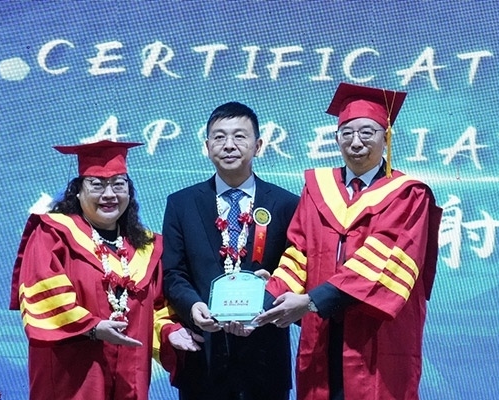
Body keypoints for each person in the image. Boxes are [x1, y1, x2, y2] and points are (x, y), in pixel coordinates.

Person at [254, 82, 443, 400]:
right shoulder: (317, 189)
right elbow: (299, 253)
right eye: (347, 133)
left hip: (376, 334)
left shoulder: (408, 194)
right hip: (322, 331)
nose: (356, 142)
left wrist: (312, 301)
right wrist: (265, 299)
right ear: (336, 138)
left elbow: (384, 263)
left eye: (367, 133)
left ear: (386, 138)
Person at [9, 140, 188, 400]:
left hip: (129, 378)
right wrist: (92, 327)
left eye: (118, 184)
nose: (109, 194)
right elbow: (44, 293)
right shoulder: (53, 234)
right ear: (77, 192)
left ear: (130, 192)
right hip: (73, 375)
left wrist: (170, 332)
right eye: (97, 185)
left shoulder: (146, 247)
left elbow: (157, 307)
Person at [161, 102, 299, 400]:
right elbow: (173, 273)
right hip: (203, 358)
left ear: (258, 145)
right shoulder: (181, 203)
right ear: (207, 146)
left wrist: (266, 304)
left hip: (265, 358)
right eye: (220, 137)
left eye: (239, 136)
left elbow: (297, 270)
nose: (229, 145)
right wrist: (193, 308)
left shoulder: (286, 204)